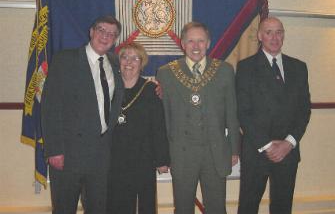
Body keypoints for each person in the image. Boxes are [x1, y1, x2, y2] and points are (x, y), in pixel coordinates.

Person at [41, 15, 124, 214]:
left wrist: (158, 87)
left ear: (115, 40)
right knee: (64, 208)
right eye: (101, 30)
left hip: (101, 153)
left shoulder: (114, 63)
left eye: (111, 34)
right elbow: (50, 106)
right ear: (91, 31)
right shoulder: (65, 59)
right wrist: (54, 150)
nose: (105, 36)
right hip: (69, 153)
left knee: (98, 208)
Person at [156, 21, 240, 214]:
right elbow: (163, 119)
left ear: (208, 43)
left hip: (215, 151)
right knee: (183, 208)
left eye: (201, 41)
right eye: (191, 41)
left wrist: (234, 148)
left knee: (217, 208)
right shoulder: (166, 73)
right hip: (182, 153)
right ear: (183, 44)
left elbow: (232, 113)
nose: (196, 46)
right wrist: (163, 153)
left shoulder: (224, 70)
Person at [236, 17, 311, 214]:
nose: (274, 37)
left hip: (288, 151)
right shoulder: (245, 67)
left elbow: (304, 110)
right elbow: (243, 112)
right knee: (248, 206)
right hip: (257, 150)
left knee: (283, 206)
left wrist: (289, 142)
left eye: (279, 32)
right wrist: (269, 146)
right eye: (269, 32)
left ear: (284, 35)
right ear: (260, 36)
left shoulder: (299, 67)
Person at [107, 42, 170, 214]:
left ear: (142, 63)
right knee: (114, 203)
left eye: (135, 58)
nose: (129, 62)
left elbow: (158, 127)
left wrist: (162, 159)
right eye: (124, 57)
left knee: (142, 205)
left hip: (142, 160)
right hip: (113, 160)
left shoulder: (151, 90)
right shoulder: (108, 88)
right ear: (118, 62)